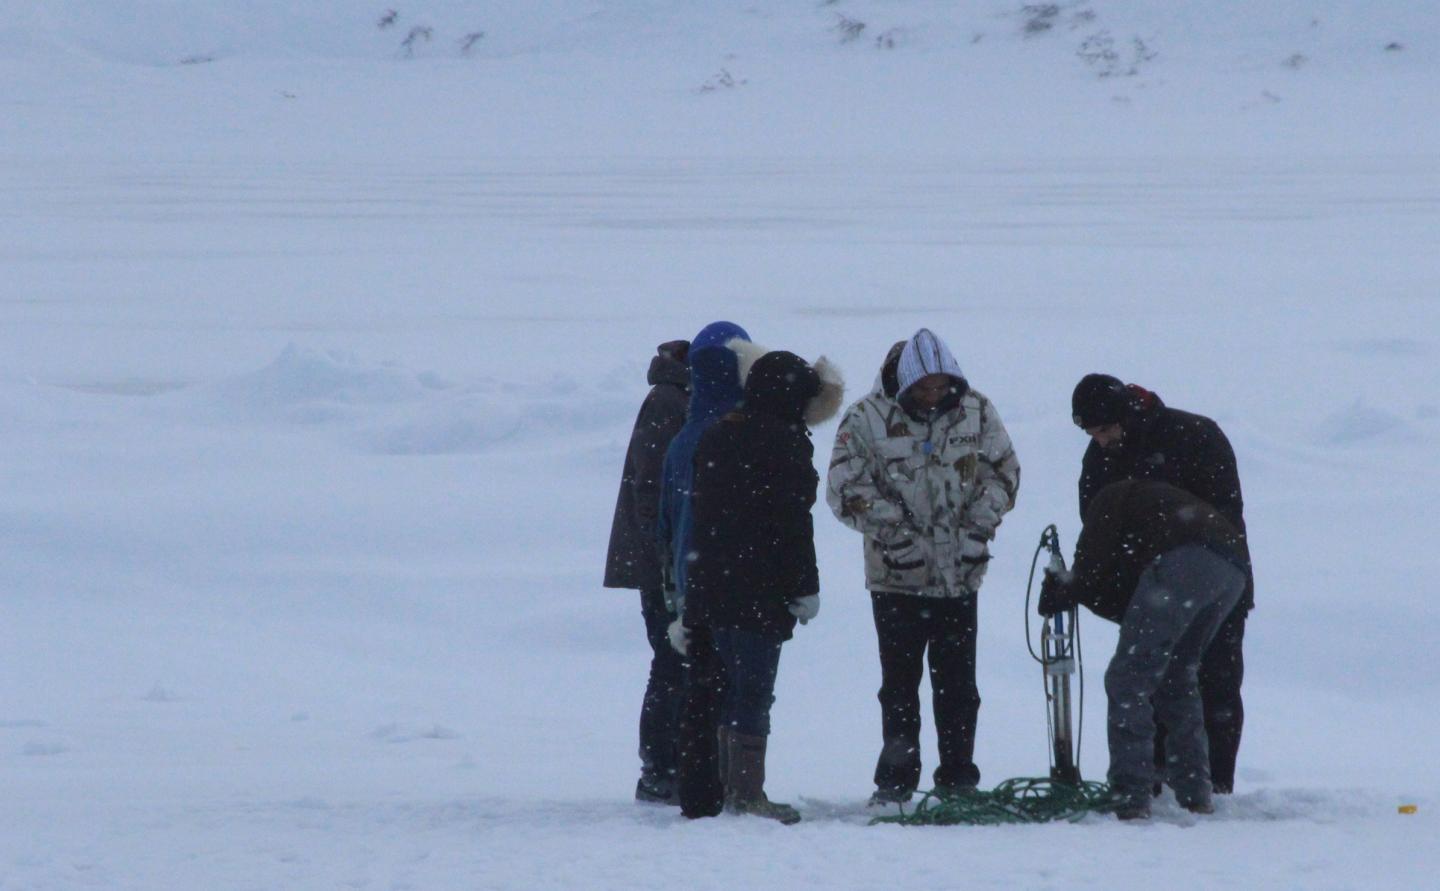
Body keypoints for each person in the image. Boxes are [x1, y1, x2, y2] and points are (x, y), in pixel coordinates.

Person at [827, 329, 1020, 804]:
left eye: (941, 386)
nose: (933, 395)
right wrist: (896, 538)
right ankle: (894, 783)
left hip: (960, 578)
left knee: (959, 688)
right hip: (896, 580)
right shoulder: (865, 419)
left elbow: (1003, 472)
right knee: (899, 687)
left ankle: (958, 779)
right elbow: (845, 489)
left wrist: (977, 528)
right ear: (905, 382)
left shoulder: (976, 410)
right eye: (923, 388)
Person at [1070, 373, 1253, 794]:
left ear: (1123, 415)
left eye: (1102, 429)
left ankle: (1191, 784)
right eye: (1089, 433)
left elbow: (1227, 514)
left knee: (1205, 682)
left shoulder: (1195, 434)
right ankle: (1175, 784)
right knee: (1170, 677)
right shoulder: (1099, 457)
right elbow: (1095, 521)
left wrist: (1078, 582)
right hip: (1167, 582)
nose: (1098, 440)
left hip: (1198, 575)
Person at [685, 349, 844, 823]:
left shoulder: (719, 433)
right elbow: (792, 525)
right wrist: (805, 586)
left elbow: (703, 518)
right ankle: (746, 793)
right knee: (753, 691)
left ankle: (719, 787)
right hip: (759, 588)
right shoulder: (786, 443)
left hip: (714, 584)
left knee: (721, 687)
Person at [1037, 479, 1248, 820]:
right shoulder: (1151, 511)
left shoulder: (1108, 499)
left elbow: (1090, 569)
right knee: (1178, 676)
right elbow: (1128, 600)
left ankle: (1130, 794)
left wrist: (1066, 588)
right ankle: (1195, 792)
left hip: (1187, 560)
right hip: (1232, 570)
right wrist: (1077, 590)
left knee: (1127, 678)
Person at [655, 321, 751, 819]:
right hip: (732, 583)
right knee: (738, 688)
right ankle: (732, 786)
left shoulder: (683, 440)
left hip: (694, 583)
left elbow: (667, 525)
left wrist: (676, 591)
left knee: (699, 688)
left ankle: (697, 788)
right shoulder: (737, 434)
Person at [603, 338, 691, 804]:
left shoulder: (678, 398)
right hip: (661, 564)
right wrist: (666, 560)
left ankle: (669, 764)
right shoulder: (667, 402)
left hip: (668, 560)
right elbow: (650, 489)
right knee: (670, 661)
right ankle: (659, 768)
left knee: (675, 662)